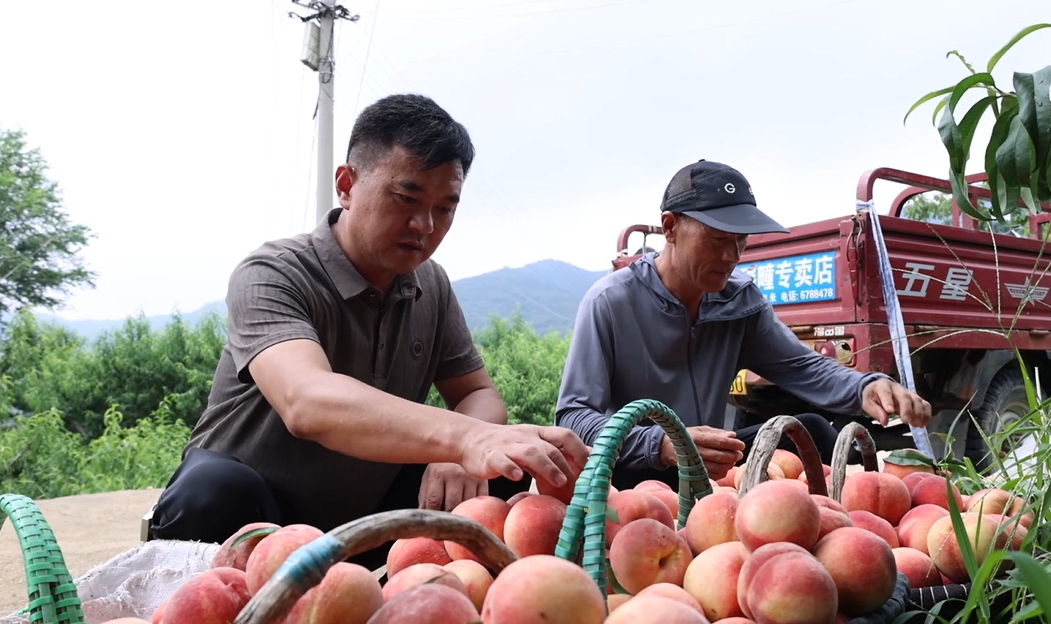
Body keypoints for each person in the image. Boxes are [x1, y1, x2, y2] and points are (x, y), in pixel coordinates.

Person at [149, 94, 589, 570]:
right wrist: (462, 438)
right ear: (347, 184)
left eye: (445, 208)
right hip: (250, 519)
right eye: (407, 198)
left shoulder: (431, 285)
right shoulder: (274, 272)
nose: (425, 225)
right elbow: (307, 401)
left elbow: (478, 392)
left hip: (359, 522)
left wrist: (466, 446)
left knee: (500, 468)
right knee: (213, 491)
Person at [555, 159, 931, 491]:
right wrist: (662, 444)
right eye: (717, 240)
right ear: (670, 227)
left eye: (740, 241)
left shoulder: (739, 302)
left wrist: (866, 386)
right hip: (637, 471)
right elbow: (576, 416)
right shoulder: (611, 302)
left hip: (711, 468)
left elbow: (802, 367)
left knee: (812, 430)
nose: (731, 257)